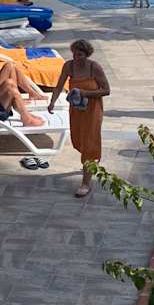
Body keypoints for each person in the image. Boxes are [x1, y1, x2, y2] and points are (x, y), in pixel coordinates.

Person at [48, 39, 110, 198]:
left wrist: (85, 92)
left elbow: (106, 90)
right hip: (76, 109)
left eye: (80, 54)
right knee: (78, 140)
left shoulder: (94, 67)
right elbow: (59, 85)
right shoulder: (69, 66)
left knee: (89, 144)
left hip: (93, 110)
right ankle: (90, 162)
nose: (77, 57)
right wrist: (52, 102)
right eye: (75, 54)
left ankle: (85, 183)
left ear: (86, 54)